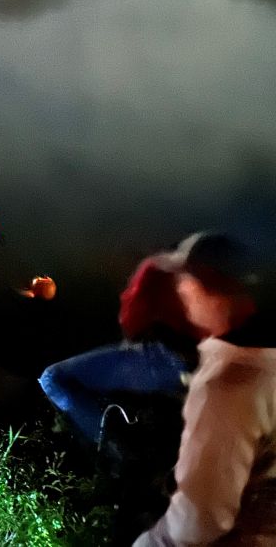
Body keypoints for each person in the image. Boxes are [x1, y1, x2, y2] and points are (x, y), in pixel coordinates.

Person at [134, 231, 274, 546]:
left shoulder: (229, 384)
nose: (181, 289)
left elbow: (196, 525)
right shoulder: (266, 361)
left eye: (186, 280)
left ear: (210, 290)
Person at [39, 255, 204, 446]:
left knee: (52, 378)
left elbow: (134, 320)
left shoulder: (160, 277)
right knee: (56, 379)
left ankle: (110, 450)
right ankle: (111, 448)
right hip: (168, 364)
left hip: (160, 360)